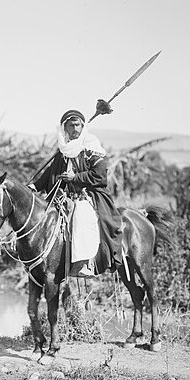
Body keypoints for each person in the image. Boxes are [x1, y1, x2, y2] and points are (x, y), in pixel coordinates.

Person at [30, 100, 123, 276]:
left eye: (77, 125)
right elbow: (50, 172)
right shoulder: (64, 148)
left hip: (87, 195)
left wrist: (76, 177)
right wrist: (34, 185)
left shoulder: (91, 146)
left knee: (82, 216)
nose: (75, 130)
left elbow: (100, 175)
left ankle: (85, 264)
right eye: (70, 126)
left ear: (83, 126)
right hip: (62, 195)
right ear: (64, 128)